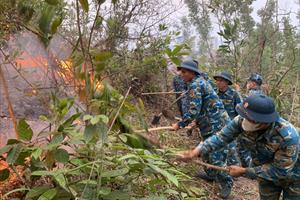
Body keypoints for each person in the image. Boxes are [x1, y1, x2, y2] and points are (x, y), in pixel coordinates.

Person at [178, 94, 300, 200]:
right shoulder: (242, 120)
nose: (246, 121)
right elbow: (221, 137)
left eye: (251, 119)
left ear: (265, 122)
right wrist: (197, 151)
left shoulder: (288, 137)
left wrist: (244, 171)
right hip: (264, 175)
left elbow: (280, 171)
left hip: (294, 178)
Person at [172, 58, 233, 199]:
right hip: (207, 124)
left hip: (217, 125)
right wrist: (194, 123)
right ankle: (211, 175)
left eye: (184, 71)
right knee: (205, 153)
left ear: (192, 72)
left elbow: (193, 111)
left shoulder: (196, 85)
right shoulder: (195, 83)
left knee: (216, 156)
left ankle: (227, 182)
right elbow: (200, 109)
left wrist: (180, 124)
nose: (181, 74)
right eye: (180, 71)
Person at [213, 71, 242, 166]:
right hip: (216, 124)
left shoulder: (234, 95)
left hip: (230, 126)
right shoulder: (213, 93)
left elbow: (240, 111)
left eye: (221, 81)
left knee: (231, 149)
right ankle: (218, 168)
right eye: (217, 80)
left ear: (226, 82)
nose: (218, 82)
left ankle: (234, 169)